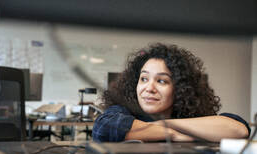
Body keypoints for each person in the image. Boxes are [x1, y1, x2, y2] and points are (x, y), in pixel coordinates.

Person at [93, 43, 250, 142]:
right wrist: (173, 134)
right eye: (144, 79)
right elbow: (104, 128)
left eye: (162, 81)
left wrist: (164, 124)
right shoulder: (123, 111)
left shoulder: (193, 116)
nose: (149, 88)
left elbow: (239, 129)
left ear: (181, 89)